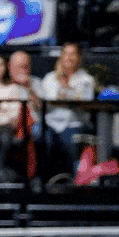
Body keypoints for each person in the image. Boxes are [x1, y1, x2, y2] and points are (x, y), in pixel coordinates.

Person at [39, 43, 95, 177]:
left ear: (79, 58)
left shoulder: (86, 79)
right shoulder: (49, 78)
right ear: (61, 57)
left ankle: (79, 180)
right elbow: (46, 102)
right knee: (40, 138)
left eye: (73, 54)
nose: (69, 58)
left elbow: (83, 103)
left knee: (72, 141)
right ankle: (41, 180)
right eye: (66, 54)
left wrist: (64, 86)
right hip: (50, 125)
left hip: (74, 125)